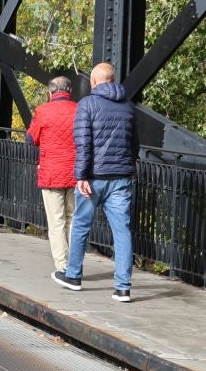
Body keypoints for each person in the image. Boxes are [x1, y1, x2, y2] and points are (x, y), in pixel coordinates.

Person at [68, 61, 138, 300]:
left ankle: (74, 276)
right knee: (122, 232)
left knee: (81, 225)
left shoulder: (87, 104)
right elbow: (134, 145)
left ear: (94, 82)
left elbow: (83, 144)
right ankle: (123, 287)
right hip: (121, 179)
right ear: (113, 79)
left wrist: (81, 175)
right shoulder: (128, 107)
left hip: (94, 178)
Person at [25, 74, 79, 286]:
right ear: (70, 91)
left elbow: (31, 139)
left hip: (51, 174)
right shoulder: (79, 110)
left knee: (56, 221)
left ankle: (62, 266)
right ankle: (74, 264)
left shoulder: (42, 111)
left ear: (50, 92)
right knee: (74, 218)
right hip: (76, 174)